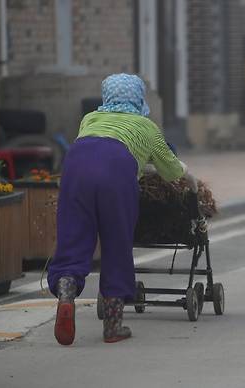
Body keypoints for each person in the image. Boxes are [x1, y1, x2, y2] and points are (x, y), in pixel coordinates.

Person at [47, 74, 189, 345]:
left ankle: (66, 295)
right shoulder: (146, 126)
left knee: (73, 238)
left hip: (76, 166)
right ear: (138, 97)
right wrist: (185, 172)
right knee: (116, 244)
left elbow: (95, 148)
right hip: (116, 171)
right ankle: (113, 326)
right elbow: (171, 171)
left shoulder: (89, 119)